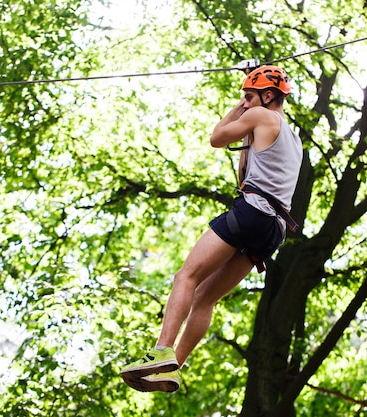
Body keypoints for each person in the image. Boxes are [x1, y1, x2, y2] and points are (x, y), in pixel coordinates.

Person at [120, 65, 303, 393]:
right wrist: (251, 97)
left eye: (250, 96)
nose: (246, 103)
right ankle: (173, 366)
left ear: (269, 96)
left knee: (186, 277)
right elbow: (248, 168)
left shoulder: (260, 117)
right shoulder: (294, 138)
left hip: (251, 212)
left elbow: (217, 138)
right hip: (274, 229)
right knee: (205, 297)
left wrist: (242, 106)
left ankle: (161, 350)